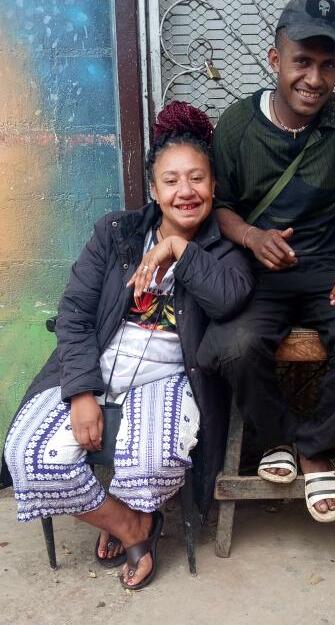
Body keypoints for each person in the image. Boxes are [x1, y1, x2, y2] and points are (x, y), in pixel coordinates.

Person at [1, 101, 254, 590]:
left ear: (214, 186)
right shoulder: (116, 233)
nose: (185, 191)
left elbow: (229, 298)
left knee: (156, 459)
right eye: (171, 180)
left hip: (167, 379)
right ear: (154, 190)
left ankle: (135, 513)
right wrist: (80, 393)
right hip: (93, 367)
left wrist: (179, 249)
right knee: (27, 457)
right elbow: (74, 314)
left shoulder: (223, 248)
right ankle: (130, 523)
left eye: (197, 178)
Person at [197, 0, 335, 522]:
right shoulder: (238, 124)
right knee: (233, 344)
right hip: (258, 274)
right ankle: (274, 438)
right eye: (302, 61)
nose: (314, 79)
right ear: (275, 59)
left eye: (328, 65)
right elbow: (218, 206)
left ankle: (315, 450)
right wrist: (252, 237)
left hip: (328, 272)